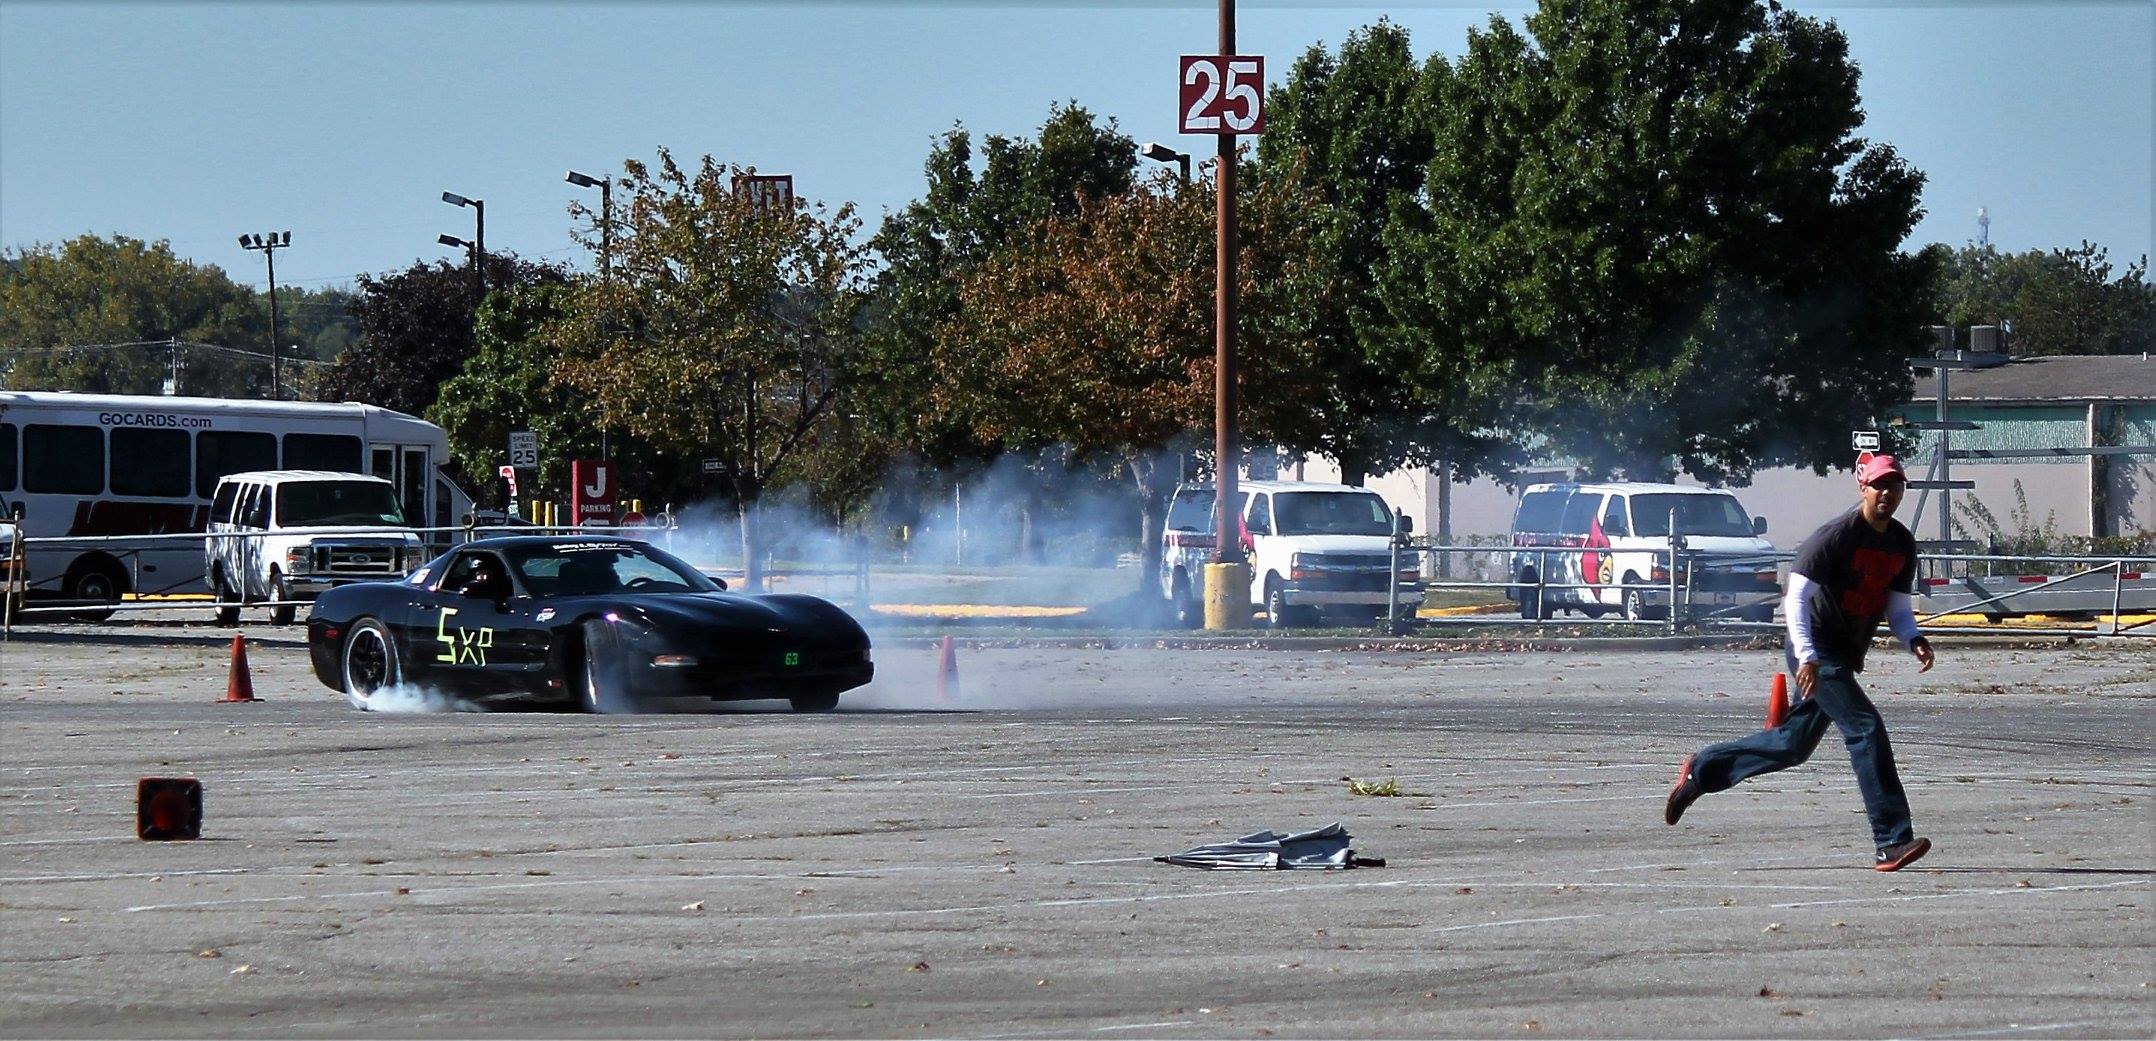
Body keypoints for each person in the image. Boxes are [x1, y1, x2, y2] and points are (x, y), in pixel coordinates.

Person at [1663, 452, 1937, 872]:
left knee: (1792, 745)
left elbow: (1897, 607)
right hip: (1816, 649)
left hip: (1843, 654)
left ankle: (1703, 771)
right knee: (1864, 728)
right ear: (1863, 487)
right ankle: (1891, 840)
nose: (1887, 493)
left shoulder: (1900, 542)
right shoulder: (1836, 536)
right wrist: (1807, 657)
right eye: (1879, 485)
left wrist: (1913, 638)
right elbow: (1795, 598)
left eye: (1895, 485)